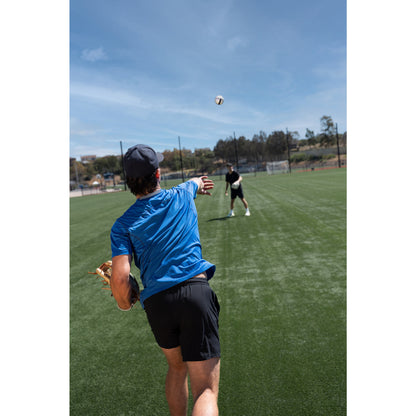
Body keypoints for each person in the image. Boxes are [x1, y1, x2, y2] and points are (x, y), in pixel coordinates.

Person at [109, 144, 220, 416]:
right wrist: (199, 183)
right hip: (194, 293)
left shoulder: (121, 225)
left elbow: (121, 279)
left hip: (157, 304)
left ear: (128, 182)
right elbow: (194, 183)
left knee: (176, 367)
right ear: (158, 174)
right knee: (205, 389)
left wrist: (125, 301)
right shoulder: (181, 194)